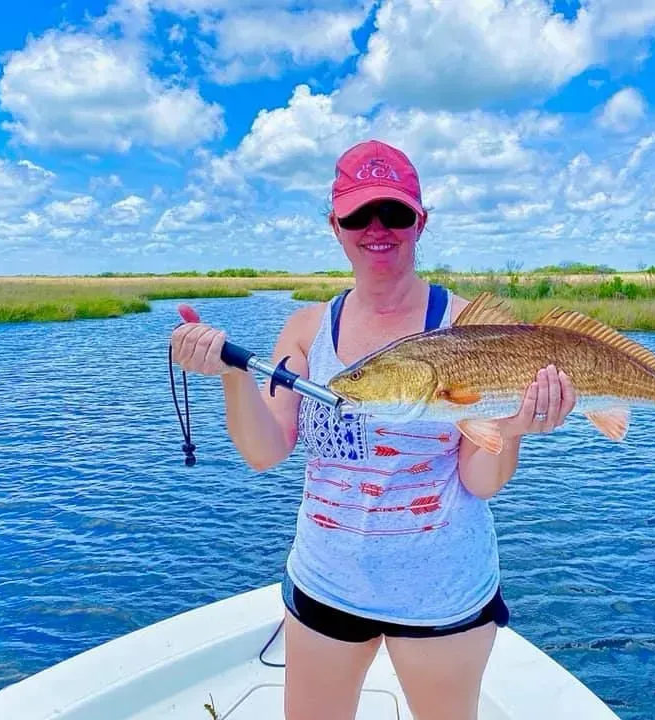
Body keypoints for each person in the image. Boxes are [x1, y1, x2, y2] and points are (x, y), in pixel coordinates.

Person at [170, 139, 577, 720]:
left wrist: (513, 427)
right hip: (325, 581)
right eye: (359, 214)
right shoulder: (307, 327)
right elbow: (265, 451)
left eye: (395, 212)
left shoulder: (471, 326)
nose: (377, 228)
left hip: (443, 590)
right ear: (334, 225)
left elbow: (480, 482)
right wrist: (229, 373)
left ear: (421, 222)